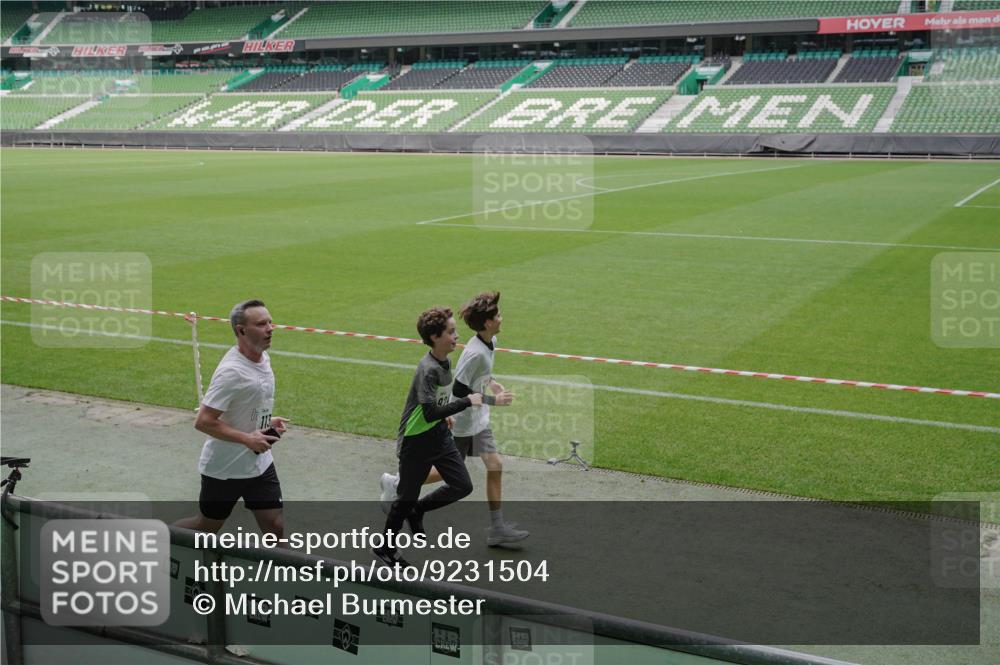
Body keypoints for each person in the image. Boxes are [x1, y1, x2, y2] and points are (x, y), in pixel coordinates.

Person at [380, 292, 526, 547]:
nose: (502, 318)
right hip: (463, 421)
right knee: (452, 473)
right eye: (498, 315)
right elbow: (460, 389)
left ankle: (497, 527)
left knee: (494, 465)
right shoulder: (474, 353)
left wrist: (492, 384)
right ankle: (398, 485)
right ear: (488, 322)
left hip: (478, 419)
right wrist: (494, 400)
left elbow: (477, 377)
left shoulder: (490, 342)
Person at [373, 306, 483, 568]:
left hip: (438, 435)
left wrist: (445, 415)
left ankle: (419, 510)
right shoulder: (428, 368)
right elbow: (429, 410)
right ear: (435, 337)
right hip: (416, 442)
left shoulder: (445, 361)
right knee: (404, 498)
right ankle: (385, 548)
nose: (457, 336)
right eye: (451, 332)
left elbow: (435, 403)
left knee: (462, 485)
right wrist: (466, 401)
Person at [175, 299, 289, 537]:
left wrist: (266, 423)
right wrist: (247, 439)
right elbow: (204, 421)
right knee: (206, 526)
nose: (270, 328)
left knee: (275, 526)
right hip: (225, 468)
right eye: (261, 324)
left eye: (270, 321)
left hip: (259, 463)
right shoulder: (231, 372)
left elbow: (251, 403)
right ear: (241, 330)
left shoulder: (262, 358)